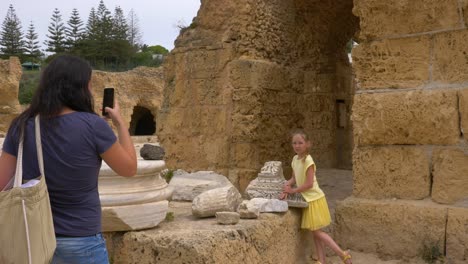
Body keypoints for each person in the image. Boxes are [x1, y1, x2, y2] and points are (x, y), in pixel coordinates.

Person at [0, 55, 137, 263]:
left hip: (31, 239)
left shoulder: (22, 125)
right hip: (82, 239)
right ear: (81, 87)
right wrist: (120, 124)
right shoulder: (93, 126)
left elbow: (2, 183)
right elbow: (129, 168)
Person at [279, 130, 352, 264]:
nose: (297, 146)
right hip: (308, 199)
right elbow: (294, 178)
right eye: (294, 143)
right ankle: (321, 260)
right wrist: (285, 186)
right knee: (315, 233)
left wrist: (292, 191)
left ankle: (343, 254)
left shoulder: (308, 161)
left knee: (317, 233)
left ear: (307, 144)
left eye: (300, 143)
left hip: (314, 199)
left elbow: (308, 184)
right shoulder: (295, 159)